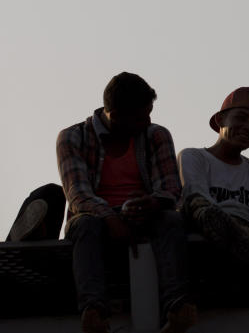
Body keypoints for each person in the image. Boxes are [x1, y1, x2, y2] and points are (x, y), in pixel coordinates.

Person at [56, 72, 196, 333]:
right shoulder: (72, 137)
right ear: (117, 117)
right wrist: (109, 218)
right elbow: (78, 195)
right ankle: (94, 312)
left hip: (145, 214)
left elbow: (170, 188)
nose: (149, 121)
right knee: (85, 225)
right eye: (142, 117)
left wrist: (152, 203)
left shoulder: (156, 135)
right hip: (95, 217)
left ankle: (178, 308)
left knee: (171, 219)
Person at [178, 87, 249, 264]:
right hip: (204, 235)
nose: (248, 127)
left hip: (248, 236)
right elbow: (195, 198)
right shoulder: (193, 156)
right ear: (220, 119)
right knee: (200, 206)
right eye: (241, 118)